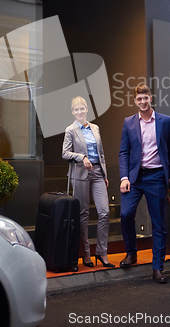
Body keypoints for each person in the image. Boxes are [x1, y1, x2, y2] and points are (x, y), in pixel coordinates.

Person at [119, 84, 170, 283]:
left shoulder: (165, 121)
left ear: (150, 98)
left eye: (145, 98)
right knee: (126, 214)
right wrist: (124, 177)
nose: (142, 102)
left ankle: (157, 268)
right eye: (139, 99)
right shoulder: (129, 123)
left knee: (158, 223)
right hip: (134, 178)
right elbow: (124, 152)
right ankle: (131, 252)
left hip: (156, 177)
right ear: (135, 101)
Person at [62, 96, 115, 268]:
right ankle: (85, 254)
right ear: (72, 112)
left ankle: (101, 252)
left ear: (86, 110)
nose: (79, 112)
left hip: (98, 172)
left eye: (81, 109)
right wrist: (82, 157)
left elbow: (101, 152)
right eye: (76, 110)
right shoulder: (70, 130)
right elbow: (65, 153)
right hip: (79, 174)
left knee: (104, 212)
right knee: (83, 214)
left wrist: (105, 174)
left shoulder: (95, 128)